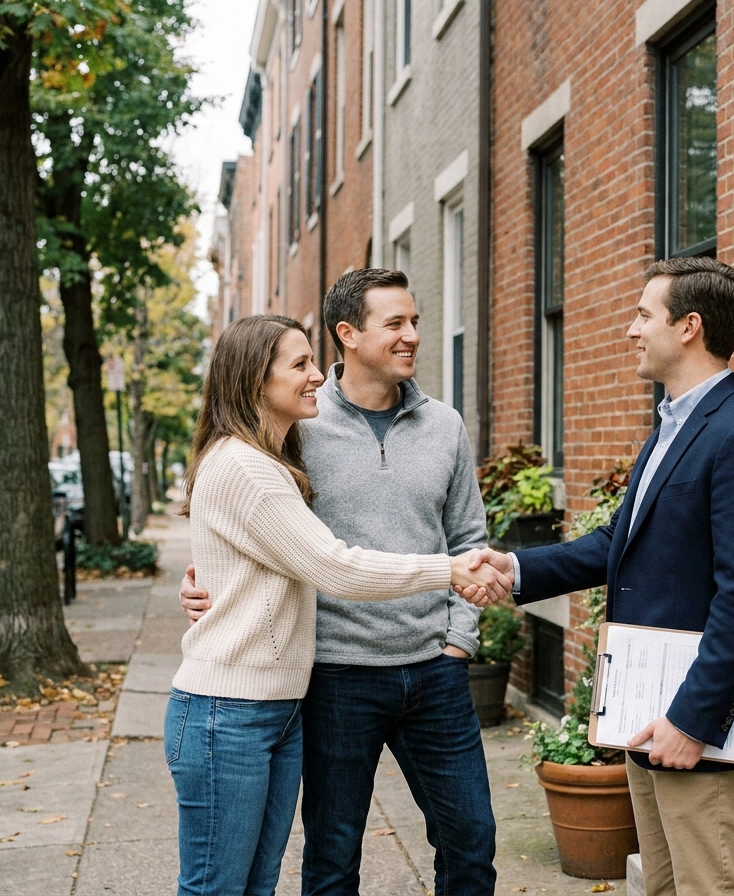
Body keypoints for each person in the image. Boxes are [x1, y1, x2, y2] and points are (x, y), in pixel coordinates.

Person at [469, 257, 734, 896]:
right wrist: (514, 567)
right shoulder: (673, 425)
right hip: (649, 715)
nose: (630, 330)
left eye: (644, 314)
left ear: (690, 327)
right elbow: (620, 543)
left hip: (699, 727)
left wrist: (693, 720)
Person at [181, 270, 500, 896]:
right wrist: (203, 585)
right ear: (347, 334)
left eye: (415, 321)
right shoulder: (295, 420)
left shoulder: (446, 427)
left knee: (471, 842)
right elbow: (265, 537)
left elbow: (468, 537)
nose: (412, 336)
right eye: (396, 324)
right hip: (334, 676)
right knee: (331, 856)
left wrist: (459, 640)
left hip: (434, 672)